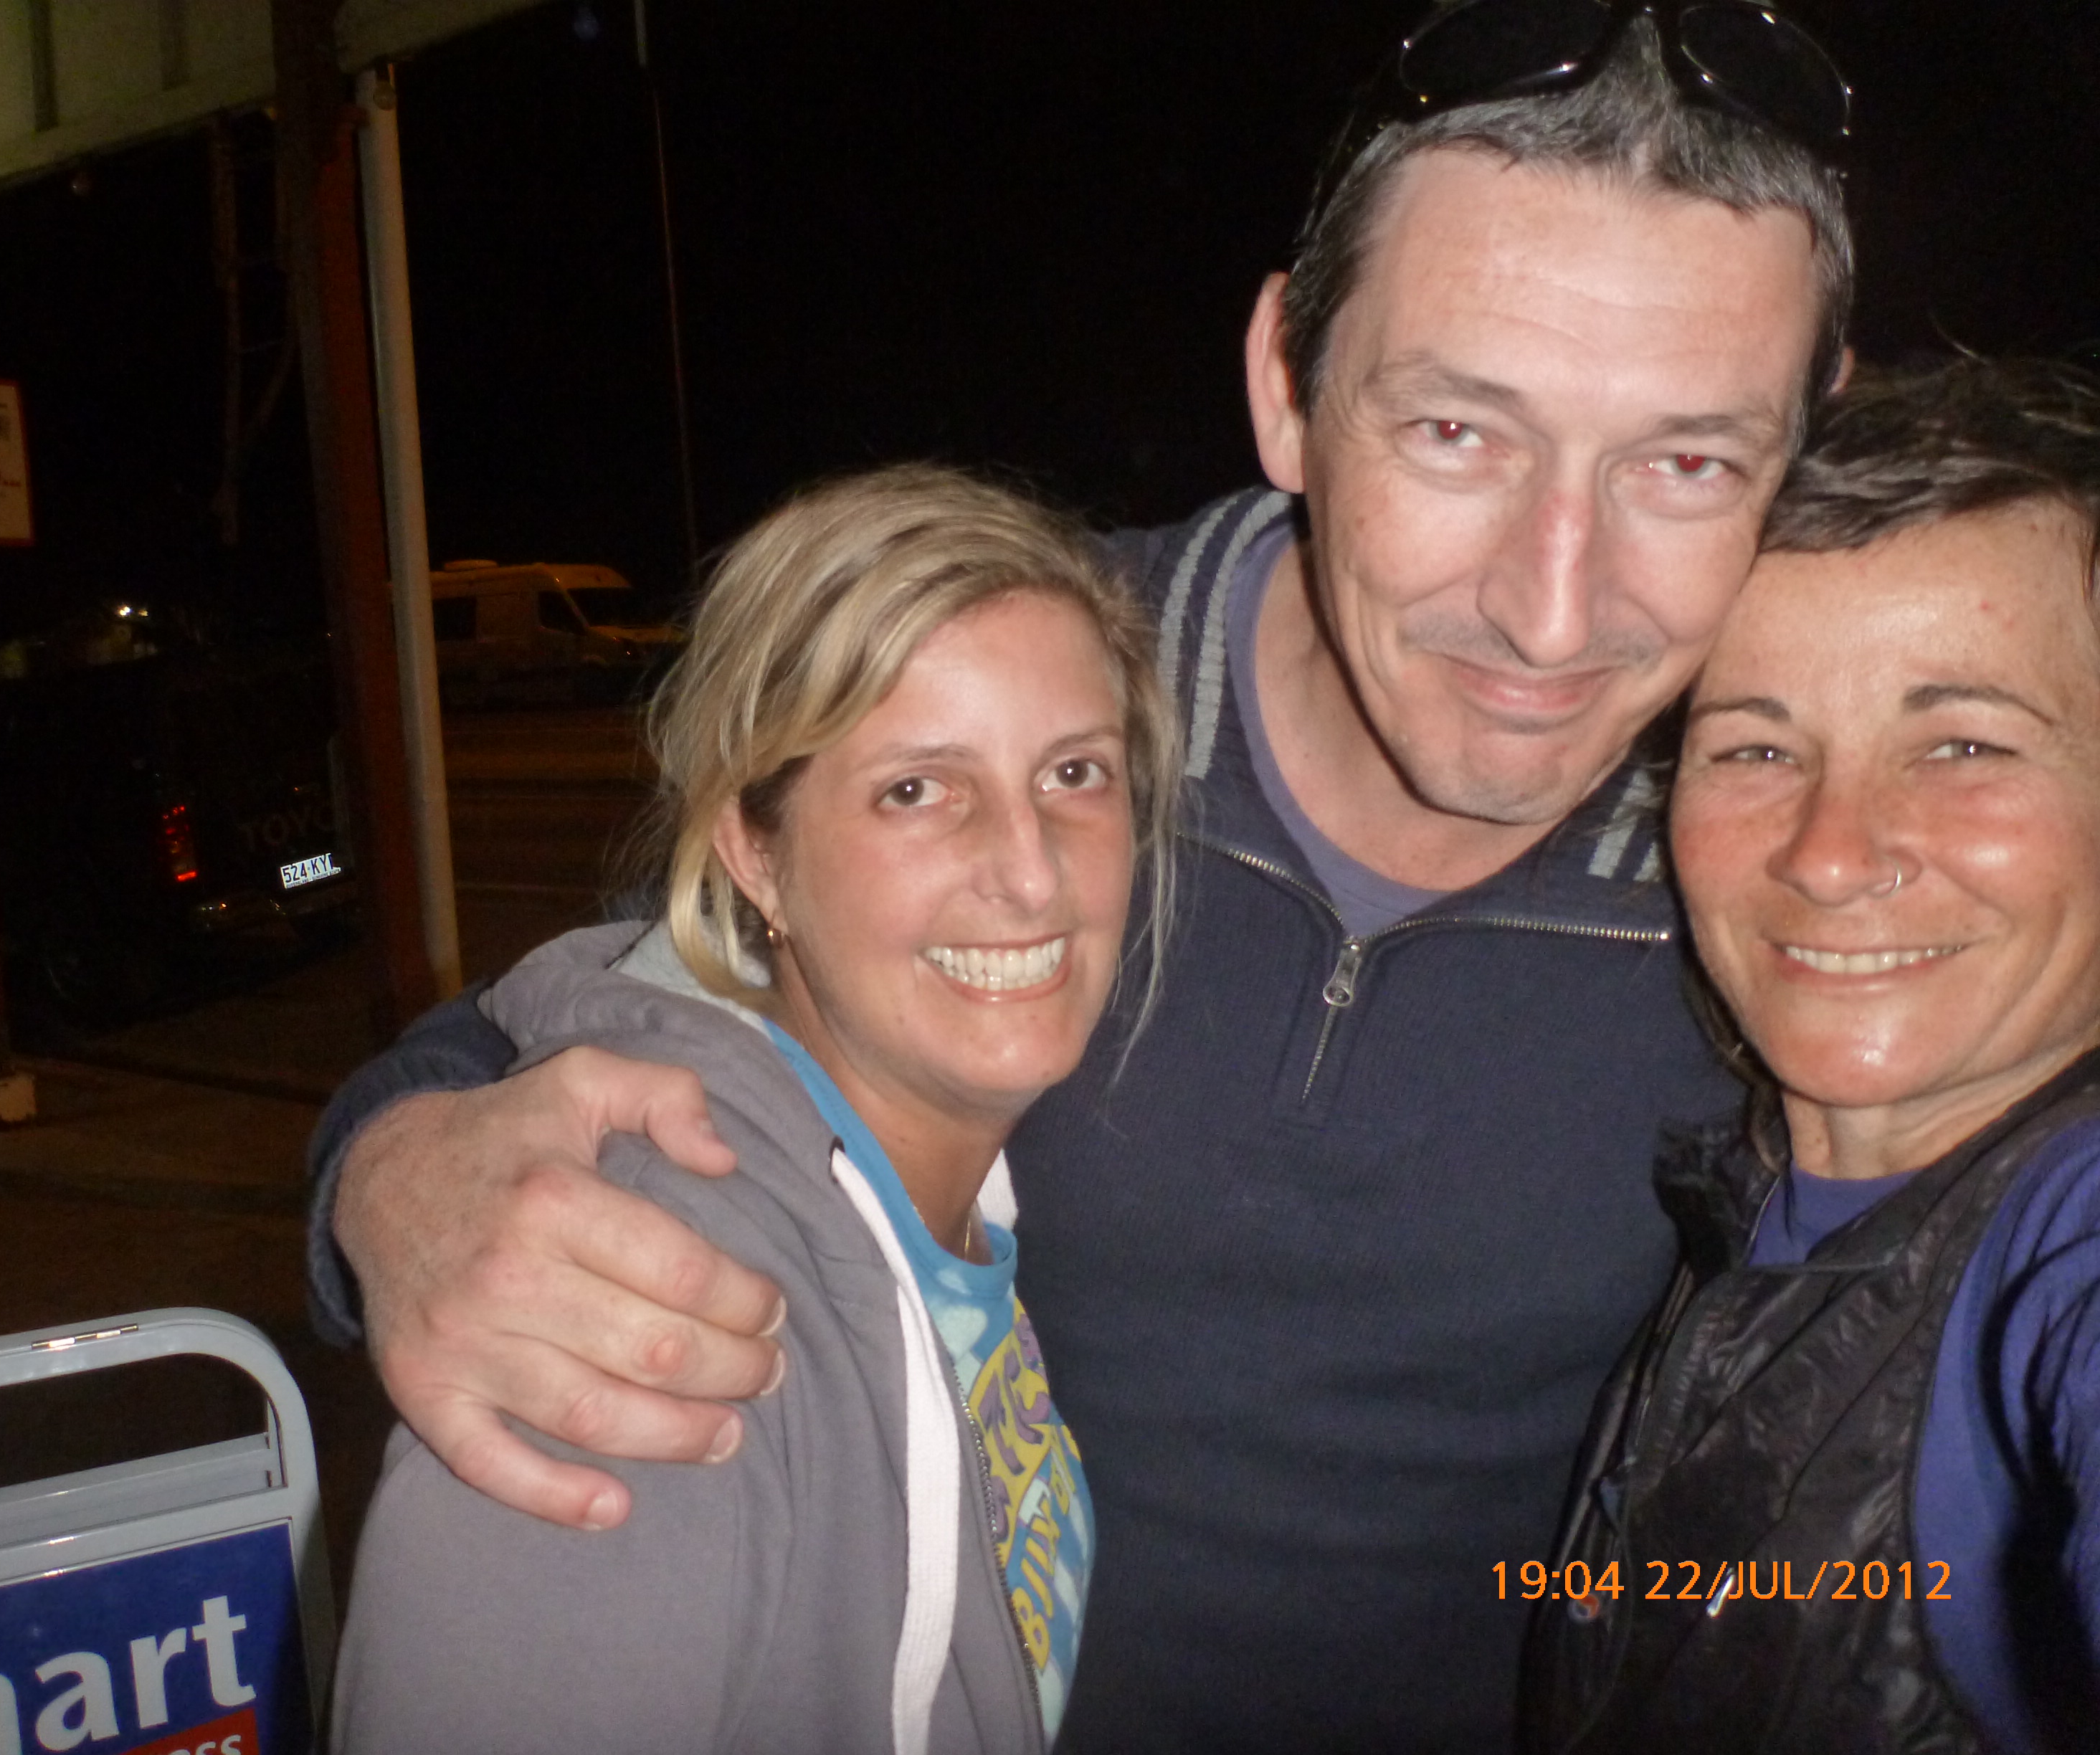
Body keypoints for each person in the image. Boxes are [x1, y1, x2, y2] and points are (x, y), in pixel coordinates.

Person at [307, 2, 1856, 1745]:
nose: (1550, 612)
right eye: (1455, 432)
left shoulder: (1799, 882)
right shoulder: (1029, 702)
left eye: (1687, 463)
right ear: (1287, 384)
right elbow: (614, 1010)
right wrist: (396, 1168)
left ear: (1807, 448)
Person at [331, 465, 1182, 1753]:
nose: (1030, 871)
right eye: (917, 788)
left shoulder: (938, 1204)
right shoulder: (646, 1318)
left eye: (1075, 772)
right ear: (755, 854)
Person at [1524, 358, 2100, 1754]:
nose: (1831, 855)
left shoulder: (2065, 1248)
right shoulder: (1745, 1175)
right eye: (1757, 751)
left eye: (1962, 745)